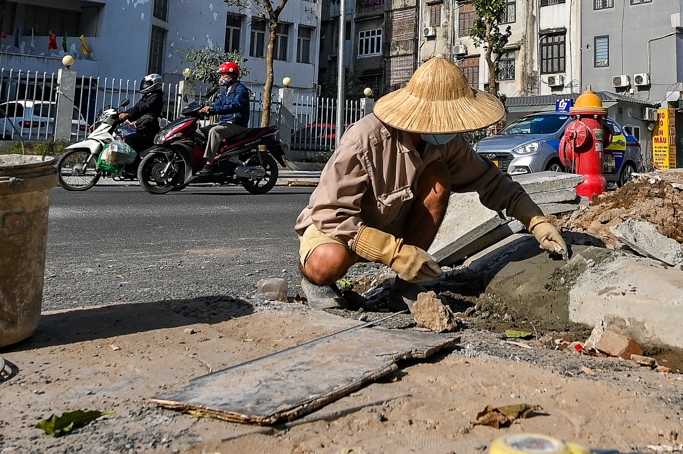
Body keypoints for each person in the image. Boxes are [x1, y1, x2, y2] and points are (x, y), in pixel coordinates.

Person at [295, 58, 569, 307]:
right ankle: (314, 282)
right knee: (327, 263)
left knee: (438, 176)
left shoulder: (447, 143)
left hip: (394, 224)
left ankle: (406, 287)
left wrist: (535, 220)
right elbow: (330, 214)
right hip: (343, 228)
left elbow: (490, 180)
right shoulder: (364, 141)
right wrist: (391, 252)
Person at [200, 62, 253, 163]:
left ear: (232, 75)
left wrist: (214, 109)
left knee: (214, 131)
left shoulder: (241, 90)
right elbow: (217, 104)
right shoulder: (226, 91)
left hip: (236, 124)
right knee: (200, 132)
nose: (221, 78)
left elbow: (235, 106)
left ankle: (209, 162)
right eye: (221, 75)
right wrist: (207, 109)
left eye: (223, 75)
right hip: (224, 123)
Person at [114, 73, 169, 151]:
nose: (145, 85)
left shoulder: (156, 97)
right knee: (123, 135)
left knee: (130, 140)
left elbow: (142, 108)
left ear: (155, 84)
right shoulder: (148, 96)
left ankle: (133, 158)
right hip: (143, 124)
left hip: (148, 126)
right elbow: (136, 107)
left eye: (147, 84)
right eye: (145, 83)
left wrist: (129, 115)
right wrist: (123, 113)